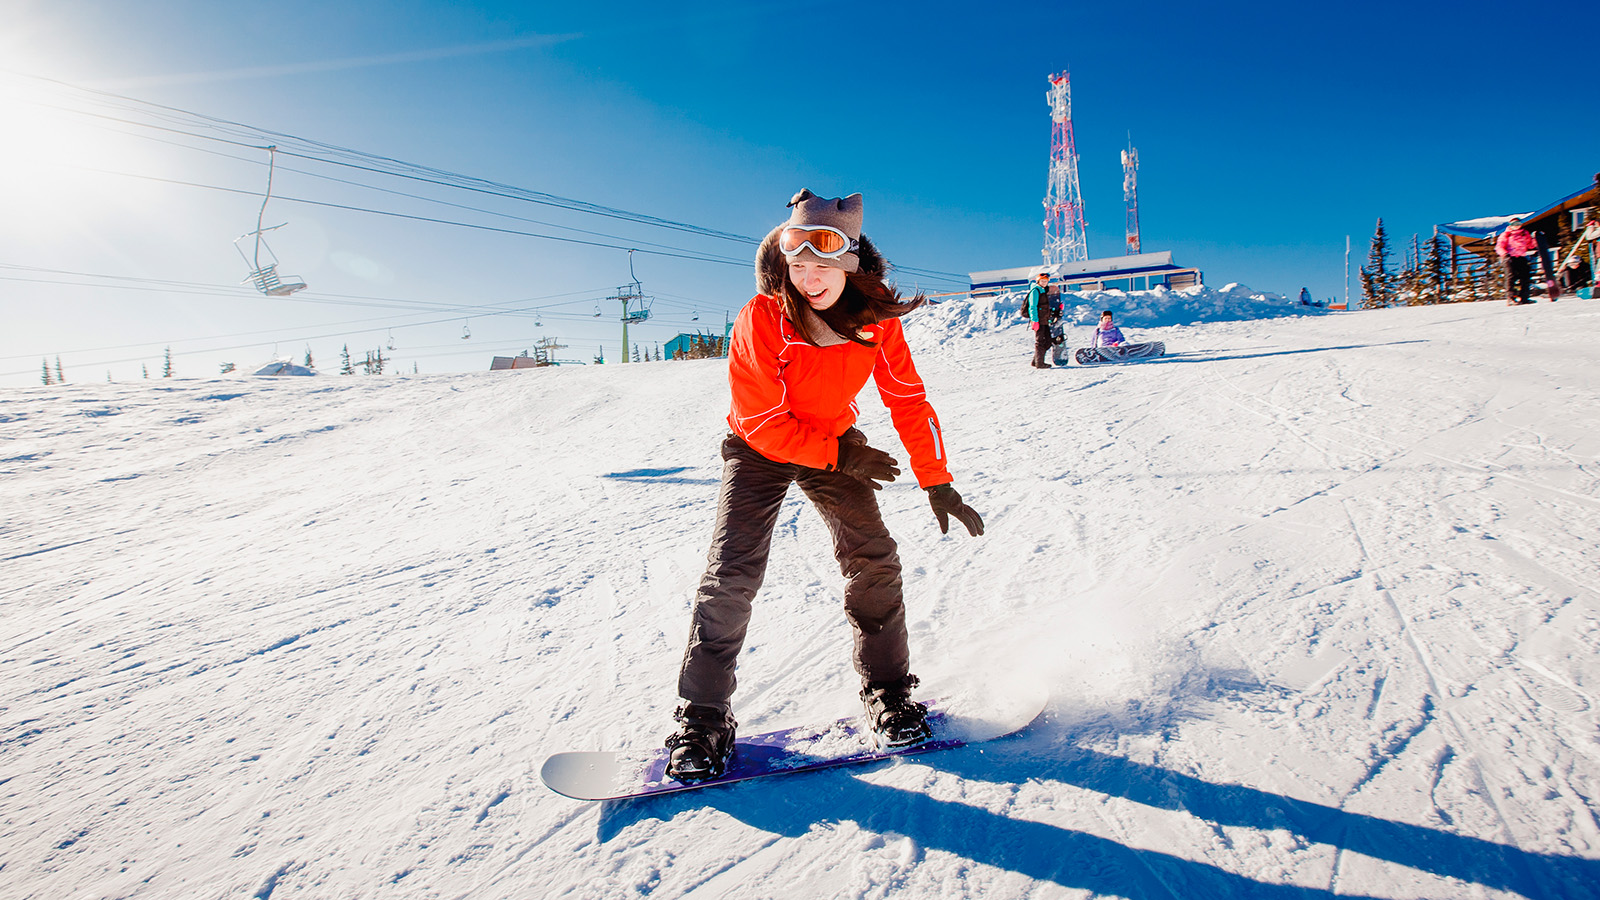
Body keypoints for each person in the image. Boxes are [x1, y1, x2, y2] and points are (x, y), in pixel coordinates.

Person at [663, 189, 986, 783]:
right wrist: (841, 454)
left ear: (850, 265)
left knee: (873, 559)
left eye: (823, 266)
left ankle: (888, 694)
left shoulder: (876, 322)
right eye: (798, 264)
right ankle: (703, 719)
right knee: (732, 573)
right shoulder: (763, 316)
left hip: (834, 444)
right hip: (761, 448)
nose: (808, 278)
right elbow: (761, 419)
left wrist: (937, 480)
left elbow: (908, 399)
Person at [1496, 218, 1539, 305]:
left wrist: (1535, 239)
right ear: (1510, 225)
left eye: (1518, 224)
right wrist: (1504, 254)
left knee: (1525, 276)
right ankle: (1511, 297)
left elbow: (1530, 245)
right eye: (1514, 224)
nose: (1516, 226)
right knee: (1511, 276)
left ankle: (1524, 297)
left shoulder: (1524, 233)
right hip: (1509, 257)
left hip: (1521, 257)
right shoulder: (1506, 234)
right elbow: (1499, 246)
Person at [1025, 271, 1056, 368]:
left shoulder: (1044, 291)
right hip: (1038, 320)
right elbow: (1032, 307)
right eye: (1042, 281)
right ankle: (1039, 363)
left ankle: (1036, 361)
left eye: (1045, 281)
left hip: (1045, 320)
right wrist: (1034, 321)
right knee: (1040, 342)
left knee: (1048, 341)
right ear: (1038, 281)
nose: (1044, 282)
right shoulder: (1035, 291)